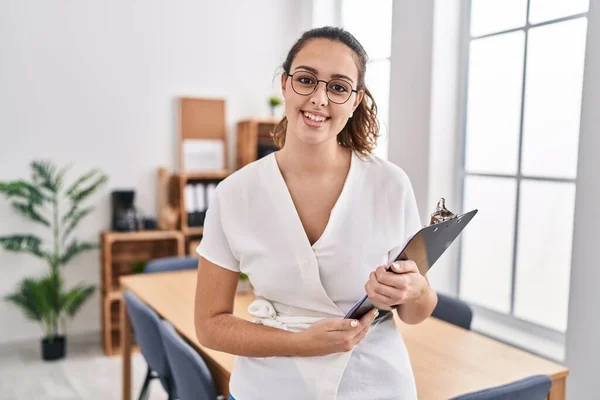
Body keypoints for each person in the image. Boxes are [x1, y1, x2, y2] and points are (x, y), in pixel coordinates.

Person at [194, 26, 438, 400]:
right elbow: (210, 325)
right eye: (306, 80)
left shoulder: (390, 184)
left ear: (355, 101)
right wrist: (301, 343)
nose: (319, 98)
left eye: (339, 87)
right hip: (271, 386)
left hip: (374, 385)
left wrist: (415, 289)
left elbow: (416, 312)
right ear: (285, 85)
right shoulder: (234, 195)